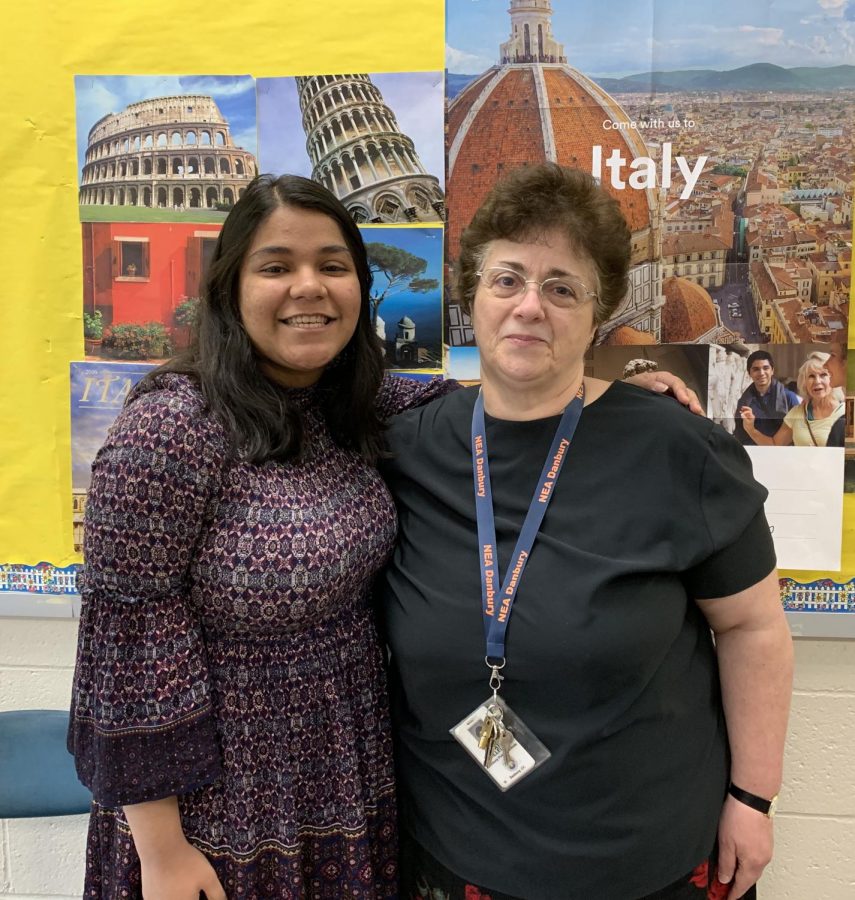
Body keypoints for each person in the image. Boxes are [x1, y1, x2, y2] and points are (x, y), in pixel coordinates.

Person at [68, 173, 697, 900]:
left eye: (332, 266)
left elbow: (495, 395)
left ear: (360, 290)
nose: (309, 286)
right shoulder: (169, 431)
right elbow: (127, 656)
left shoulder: (355, 404)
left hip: (349, 782)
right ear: (230, 288)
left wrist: (617, 396)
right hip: (219, 812)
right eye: (276, 267)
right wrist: (163, 851)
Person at [379, 164, 793, 900]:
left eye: (560, 287)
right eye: (506, 280)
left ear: (597, 310)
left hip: (652, 863)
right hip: (457, 860)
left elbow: (753, 629)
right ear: (469, 296)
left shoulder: (677, 448)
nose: (528, 307)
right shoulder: (405, 448)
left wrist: (753, 800)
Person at [740, 351, 846, 448]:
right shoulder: (797, 412)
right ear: (804, 383)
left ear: (833, 378)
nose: (817, 381)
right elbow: (775, 445)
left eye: (823, 375)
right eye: (811, 376)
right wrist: (751, 429)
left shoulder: (845, 412)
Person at [733, 350, 799, 445]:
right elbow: (740, 433)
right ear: (749, 373)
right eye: (756, 369)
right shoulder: (744, 402)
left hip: (783, 453)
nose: (761, 373)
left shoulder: (789, 398)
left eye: (766, 368)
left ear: (772, 370)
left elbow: (798, 432)